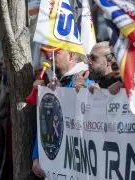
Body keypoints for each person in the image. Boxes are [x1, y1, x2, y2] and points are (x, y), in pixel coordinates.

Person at [31, 49, 94, 178]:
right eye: (48, 51)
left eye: (56, 51)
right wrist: (37, 156)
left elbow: (80, 120)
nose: (50, 55)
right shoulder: (56, 81)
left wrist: (62, 95)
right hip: (56, 165)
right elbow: (46, 122)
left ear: (71, 55)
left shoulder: (87, 80)